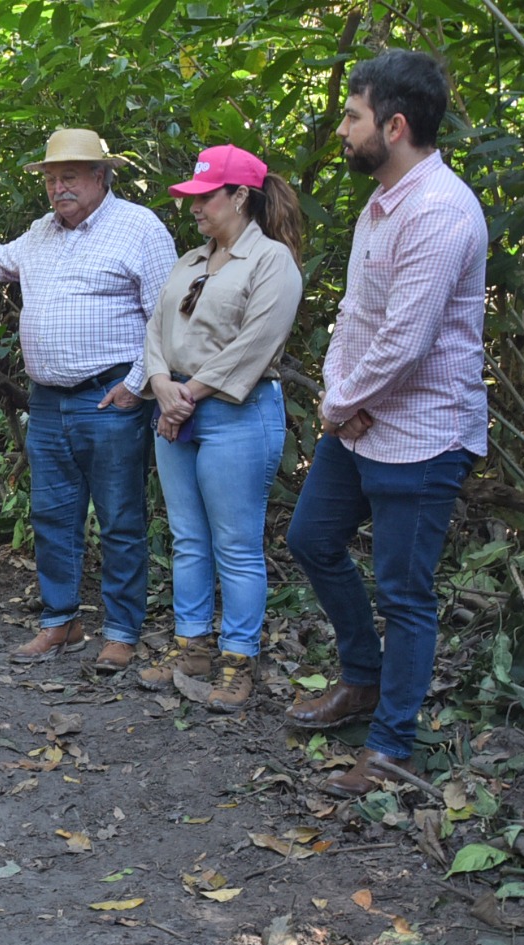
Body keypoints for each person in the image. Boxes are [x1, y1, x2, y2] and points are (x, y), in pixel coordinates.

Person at [281, 51, 487, 798]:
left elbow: (406, 341)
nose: (342, 129)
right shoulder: (384, 201)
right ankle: (362, 679)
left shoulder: (439, 211)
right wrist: (341, 399)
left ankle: (392, 746)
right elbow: (357, 316)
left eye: (353, 116)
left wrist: (338, 404)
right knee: (311, 538)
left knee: (404, 593)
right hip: (359, 421)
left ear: (394, 126)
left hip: (423, 434)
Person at [0, 130, 177, 674]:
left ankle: (121, 631)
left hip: (110, 398)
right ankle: (61, 620)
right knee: (51, 516)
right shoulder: (41, 232)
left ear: (101, 176)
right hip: (48, 402)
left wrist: (137, 384)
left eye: (70, 176)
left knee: (120, 518)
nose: (59, 187)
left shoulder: (140, 228)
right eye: (52, 179)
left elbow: (168, 317)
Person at [135, 145, 303, 712]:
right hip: (176, 408)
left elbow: (256, 343)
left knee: (236, 544)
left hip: (236, 412)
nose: (194, 207)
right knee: (187, 538)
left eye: (205, 197)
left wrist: (187, 395)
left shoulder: (271, 260)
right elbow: (155, 329)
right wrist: (162, 384)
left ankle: (238, 659)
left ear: (240, 196)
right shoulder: (190, 260)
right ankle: (192, 649)